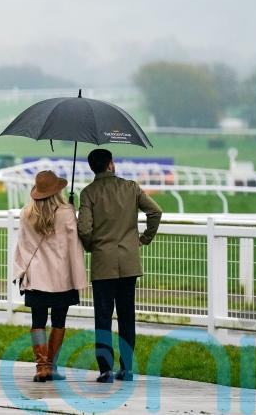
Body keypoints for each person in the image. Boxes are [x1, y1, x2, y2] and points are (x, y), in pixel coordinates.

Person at [77, 149, 162, 383]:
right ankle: (127, 368)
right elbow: (155, 211)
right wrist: (144, 238)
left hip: (103, 263)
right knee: (126, 316)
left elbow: (84, 229)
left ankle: (105, 370)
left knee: (103, 317)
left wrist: (91, 246)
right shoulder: (131, 188)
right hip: (128, 262)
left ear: (92, 167)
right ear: (111, 164)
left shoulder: (88, 193)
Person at [14, 170, 87, 382]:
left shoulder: (26, 214)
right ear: (57, 191)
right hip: (61, 278)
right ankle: (52, 366)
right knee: (58, 320)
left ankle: (41, 367)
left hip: (36, 277)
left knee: (38, 321)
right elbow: (73, 246)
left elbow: (23, 245)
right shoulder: (66, 212)